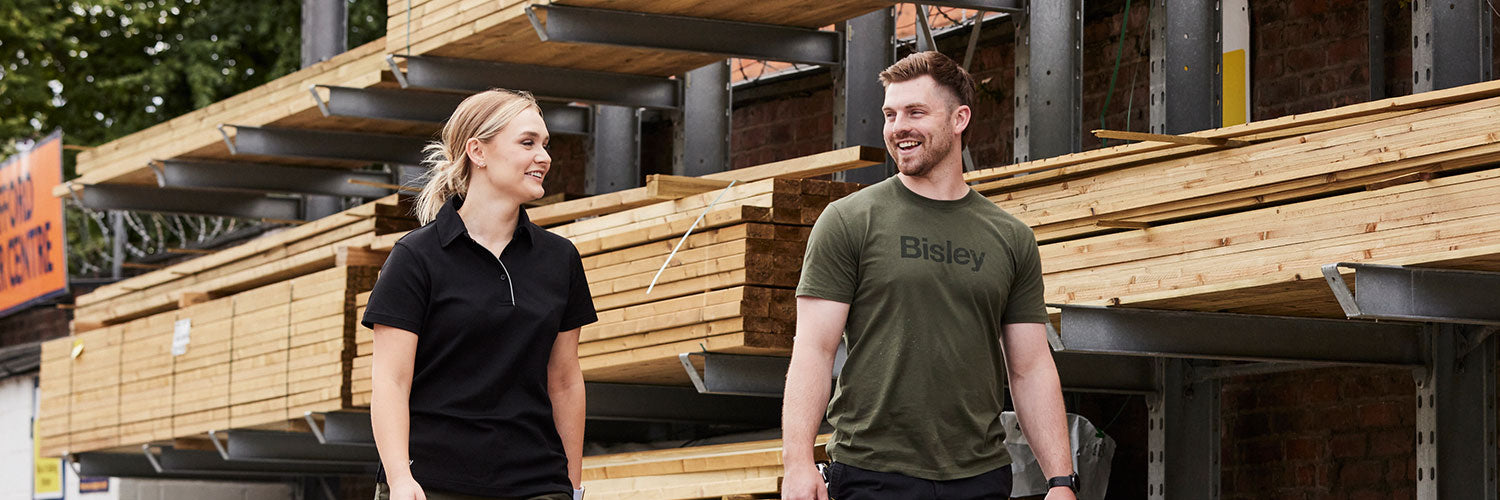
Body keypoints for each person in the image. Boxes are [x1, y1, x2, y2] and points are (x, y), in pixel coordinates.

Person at [781, 52, 1079, 500]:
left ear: (959, 119)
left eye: (915, 112)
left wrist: (1060, 480)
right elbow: (813, 350)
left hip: (981, 477)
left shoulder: (1010, 237)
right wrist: (798, 461)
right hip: (872, 472)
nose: (898, 126)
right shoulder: (848, 221)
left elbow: (1031, 367)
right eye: (890, 114)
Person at [364, 89, 595, 500]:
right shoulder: (416, 258)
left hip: (535, 484)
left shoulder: (560, 260)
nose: (544, 157)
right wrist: (400, 479)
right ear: (478, 151)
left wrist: (573, 486)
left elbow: (564, 381)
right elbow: (390, 381)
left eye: (545, 145)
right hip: (433, 485)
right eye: (527, 143)